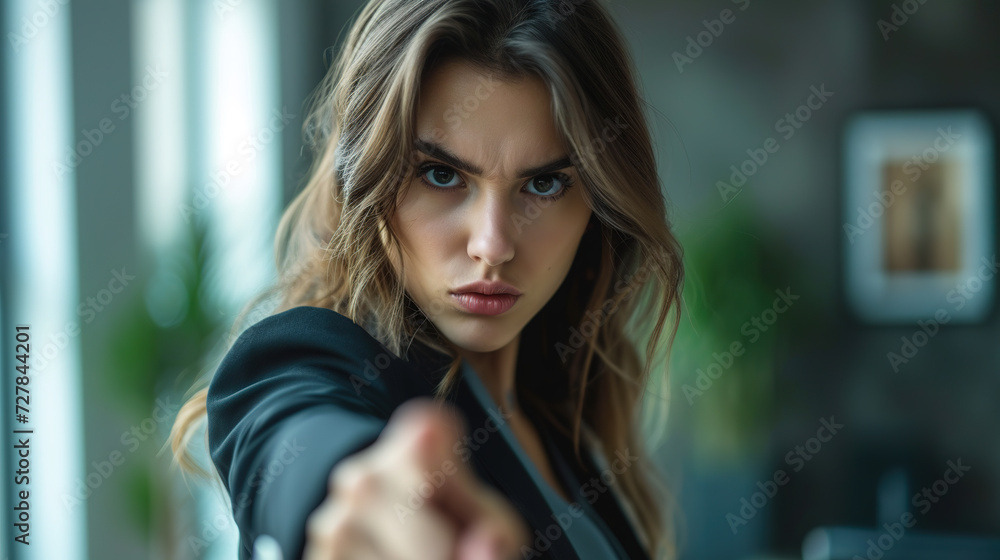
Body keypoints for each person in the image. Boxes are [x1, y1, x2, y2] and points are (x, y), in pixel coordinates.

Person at [170, 0, 684, 558]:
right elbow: (297, 435)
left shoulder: (548, 409)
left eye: (545, 185)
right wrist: (345, 492)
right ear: (365, 177)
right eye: (441, 175)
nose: (492, 245)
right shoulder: (312, 360)